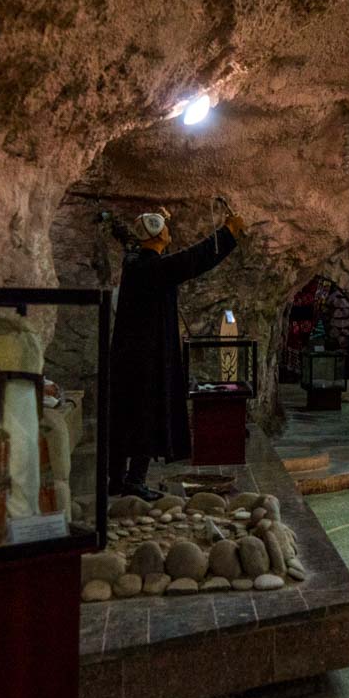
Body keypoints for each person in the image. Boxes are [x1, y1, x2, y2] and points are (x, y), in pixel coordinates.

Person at [106, 209, 245, 499]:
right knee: (145, 414)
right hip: (146, 359)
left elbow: (176, 259)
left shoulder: (135, 263)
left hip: (129, 356)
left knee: (125, 415)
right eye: (165, 228)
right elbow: (194, 259)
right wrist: (227, 232)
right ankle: (133, 480)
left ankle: (116, 479)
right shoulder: (152, 268)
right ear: (158, 236)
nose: (169, 231)